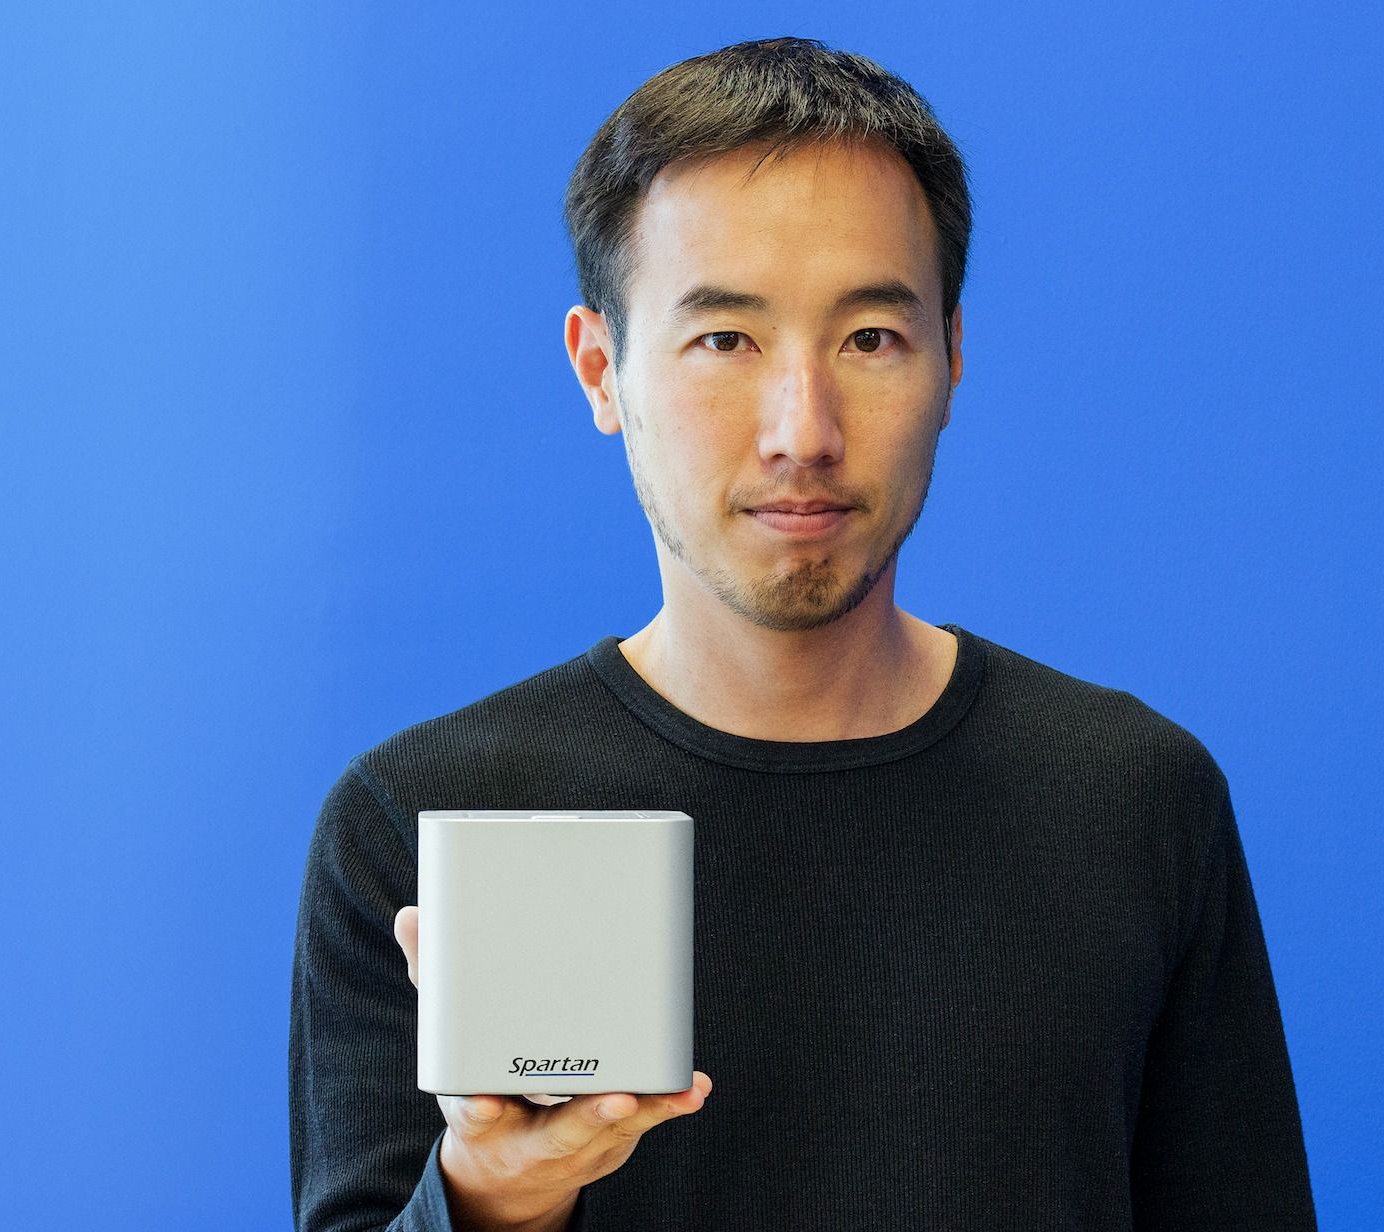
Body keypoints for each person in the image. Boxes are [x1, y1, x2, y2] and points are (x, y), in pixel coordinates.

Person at [289, 35, 1317, 1232]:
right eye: (724, 338)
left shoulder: (1133, 797)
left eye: (869, 337)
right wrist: (488, 1198)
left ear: (952, 355)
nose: (802, 430)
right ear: (601, 369)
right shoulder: (417, 825)